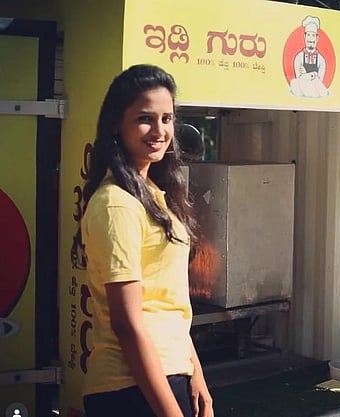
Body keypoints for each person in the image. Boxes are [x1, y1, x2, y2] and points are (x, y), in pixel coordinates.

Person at [81, 64, 214, 417]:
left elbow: (168, 302)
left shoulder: (154, 195)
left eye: (167, 119)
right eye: (145, 119)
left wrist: (196, 373)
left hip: (169, 374)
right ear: (116, 123)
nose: (159, 131)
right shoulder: (116, 203)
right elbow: (127, 324)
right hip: (131, 388)